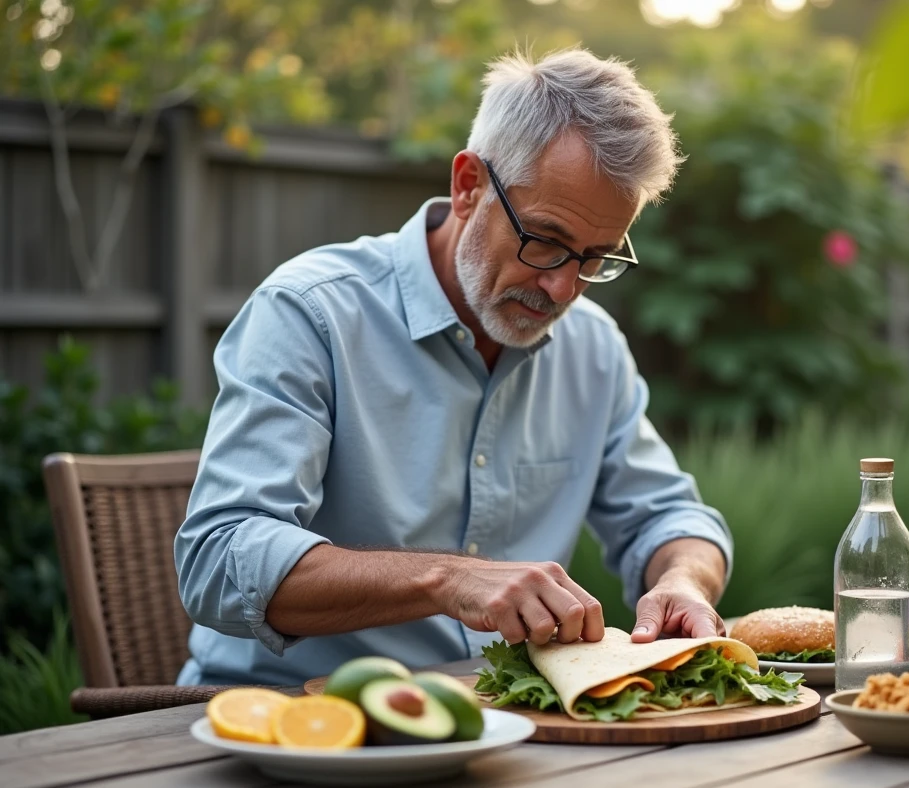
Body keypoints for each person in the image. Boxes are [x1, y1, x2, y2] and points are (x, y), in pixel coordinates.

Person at [174, 48, 732, 686]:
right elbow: (217, 560)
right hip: (286, 720)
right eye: (545, 241)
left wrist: (685, 581)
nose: (562, 290)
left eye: (596, 258)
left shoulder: (594, 349)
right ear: (469, 185)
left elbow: (669, 518)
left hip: (502, 725)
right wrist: (448, 579)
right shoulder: (310, 314)